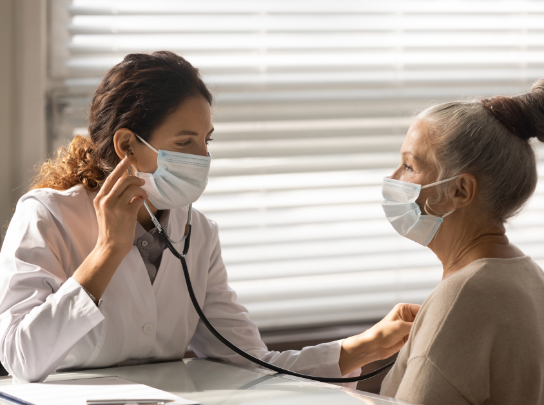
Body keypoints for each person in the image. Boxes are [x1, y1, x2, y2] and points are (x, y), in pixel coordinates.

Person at [0, 51, 419, 384]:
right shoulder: (47, 217)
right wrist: (108, 251)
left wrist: (363, 347)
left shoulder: (195, 232)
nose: (203, 158)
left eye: (206, 141)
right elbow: (21, 358)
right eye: (185, 142)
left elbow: (250, 364)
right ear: (127, 144)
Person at [380, 79, 544, 404]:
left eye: (409, 165)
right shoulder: (529, 276)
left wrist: (443, 323)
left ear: (460, 190)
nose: (394, 178)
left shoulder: (463, 298)